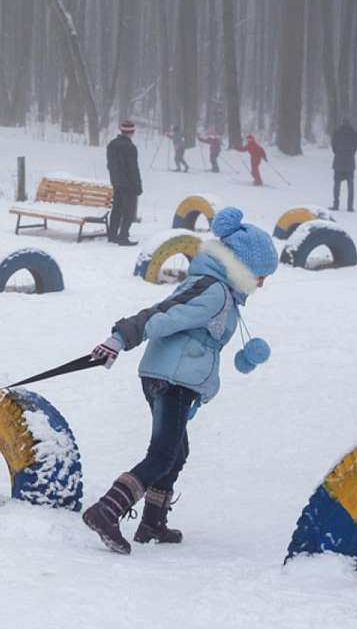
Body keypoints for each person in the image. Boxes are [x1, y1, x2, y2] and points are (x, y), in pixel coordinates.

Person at [83, 207, 278, 554]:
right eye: (260, 274)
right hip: (168, 379)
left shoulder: (224, 294)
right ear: (242, 265)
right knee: (162, 454)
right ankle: (107, 509)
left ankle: (152, 521)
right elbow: (163, 313)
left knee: (177, 451)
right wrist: (121, 338)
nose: (262, 283)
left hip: (177, 381)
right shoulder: (213, 291)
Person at [106, 120, 143, 246]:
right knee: (129, 211)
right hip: (129, 185)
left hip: (116, 183)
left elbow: (110, 165)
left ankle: (112, 235)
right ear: (132, 132)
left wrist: (115, 179)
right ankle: (123, 236)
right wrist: (138, 186)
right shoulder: (130, 147)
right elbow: (133, 168)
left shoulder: (112, 145)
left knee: (117, 209)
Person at [331, 119, 357, 212]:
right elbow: (355, 148)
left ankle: (336, 204)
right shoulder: (354, 134)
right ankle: (350, 206)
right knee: (350, 185)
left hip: (339, 161)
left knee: (337, 184)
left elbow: (333, 146)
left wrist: (338, 153)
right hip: (350, 162)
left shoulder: (337, 133)